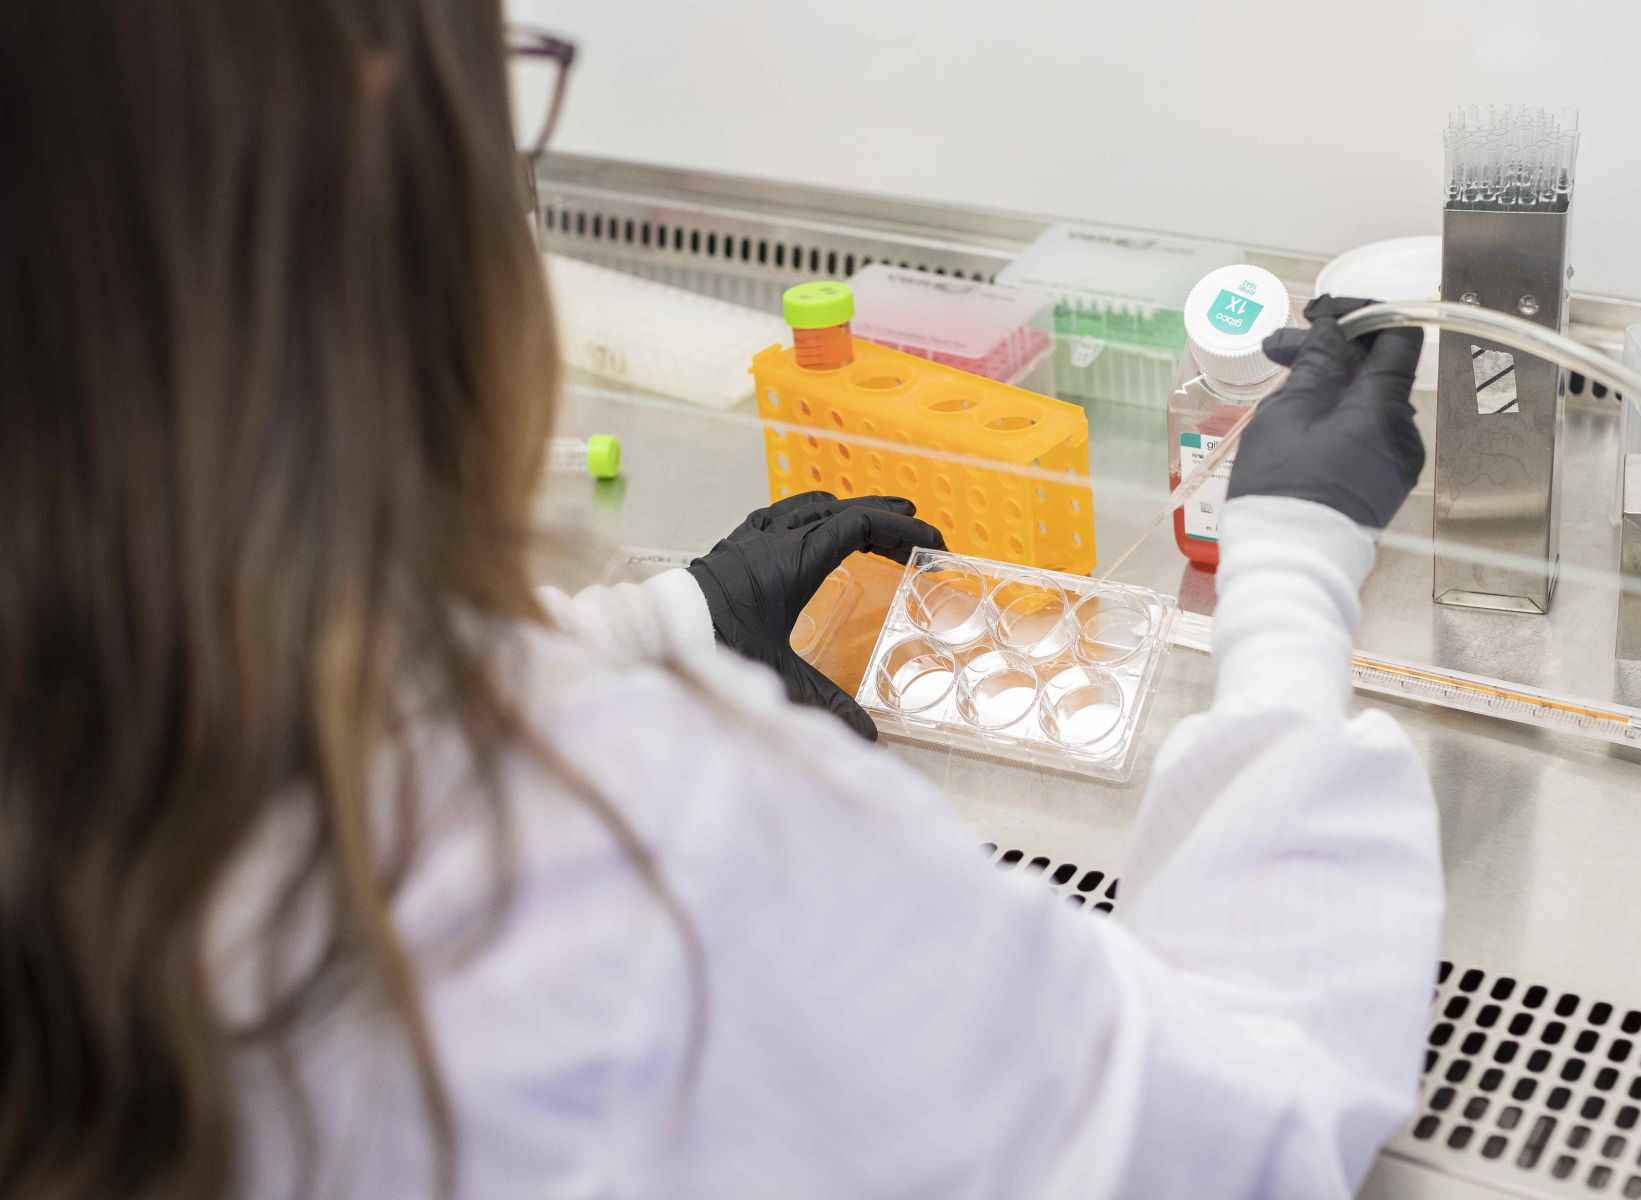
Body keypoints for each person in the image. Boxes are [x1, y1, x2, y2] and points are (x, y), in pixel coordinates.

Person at [0, 1, 1440, 1197]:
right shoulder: (636, 854)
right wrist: (1293, 566)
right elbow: (1247, 1118)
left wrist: (665, 621)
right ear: (385, 187)